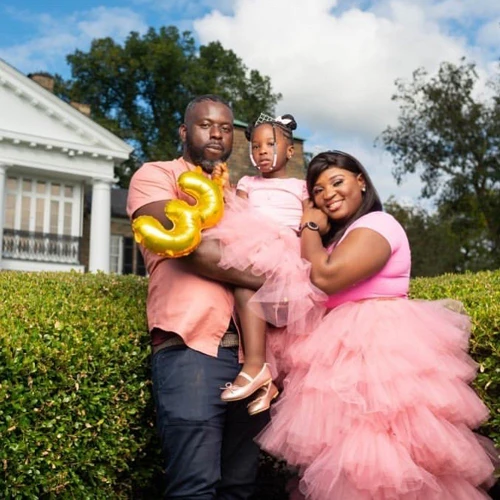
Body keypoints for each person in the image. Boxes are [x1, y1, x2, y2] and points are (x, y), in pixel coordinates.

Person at [252, 150, 497, 499]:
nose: (327, 194)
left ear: (361, 181)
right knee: (350, 462)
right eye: (318, 190)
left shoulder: (377, 224)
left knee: (385, 456)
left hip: (379, 351)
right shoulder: (338, 239)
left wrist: (308, 225)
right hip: (341, 357)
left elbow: (324, 277)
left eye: (337, 182)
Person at [126, 95, 269, 500]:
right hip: (190, 349)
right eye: (206, 125)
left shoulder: (239, 197)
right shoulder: (155, 176)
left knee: (239, 487)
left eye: (226, 128)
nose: (217, 133)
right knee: (194, 486)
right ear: (184, 131)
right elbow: (192, 249)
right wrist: (271, 280)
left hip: (251, 358)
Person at [209, 113, 311, 415]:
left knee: (272, 317)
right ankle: (261, 374)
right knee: (245, 295)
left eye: (270, 144)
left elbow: (309, 222)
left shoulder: (300, 186)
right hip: (252, 241)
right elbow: (234, 213)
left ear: (290, 151)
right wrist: (224, 189)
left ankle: (259, 369)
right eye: (255, 146)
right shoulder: (247, 182)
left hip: (285, 249)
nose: (262, 151)